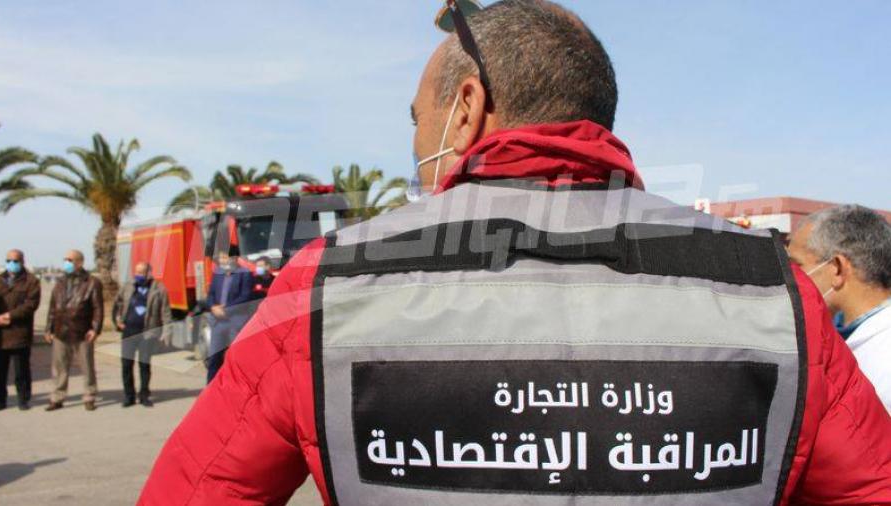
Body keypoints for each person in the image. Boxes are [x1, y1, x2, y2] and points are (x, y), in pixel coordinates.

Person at [140, 1, 891, 504]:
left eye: (417, 118)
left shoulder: (327, 285)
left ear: (466, 108)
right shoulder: (771, 287)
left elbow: (201, 489)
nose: (415, 142)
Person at [788, 205, 891, 410]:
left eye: (796, 266)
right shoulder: (837, 333)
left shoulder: (884, 358)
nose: (788, 277)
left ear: (837, 269)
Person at [45, 249, 103, 411]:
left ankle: (89, 396)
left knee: (87, 366)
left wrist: (95, 328)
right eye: (65, 259)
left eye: (70, 260)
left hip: (82, 331)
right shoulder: (60, 282)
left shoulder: (92, 282)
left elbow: (98, 308)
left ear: (80, 262)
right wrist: (49, 328)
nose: (66, 263)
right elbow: (52, 308)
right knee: (59, 367)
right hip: (60, 331)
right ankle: (57, 397)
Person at [112, 262, 172, 407]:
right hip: (129, 332)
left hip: (147, 333)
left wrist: (166, 332)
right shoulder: (128, 287)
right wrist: (117, 320)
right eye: (137, 272)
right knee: (126, 365)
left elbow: (165, 312)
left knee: (144, 365)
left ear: (149, 273)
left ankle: (144, 395)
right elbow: (117, 304)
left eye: (142, 272)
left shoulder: (159, 289)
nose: (139, 275)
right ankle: (129, 396)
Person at [0, 249, 41, 411]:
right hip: (0, 334)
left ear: (22, 261)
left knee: (21, 370)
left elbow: (31, 304)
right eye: (9, 260)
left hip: (20, 332)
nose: (11, 264)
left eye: (15, 261)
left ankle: (23, 399)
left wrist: (10, 315)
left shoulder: (31, 281)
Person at [204, 249, 253, 383]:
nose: (222, 261)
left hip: (236, 321)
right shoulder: (218, 273)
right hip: (219, 322)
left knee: (237, 358)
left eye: (225, 258)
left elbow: (245, 297)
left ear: (234, 258)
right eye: (221, 258)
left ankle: (240, 386)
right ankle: (211, 387)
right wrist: (213, 307)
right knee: (214, 357)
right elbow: (211, 294)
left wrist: (226, 310)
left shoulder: (245, 274)